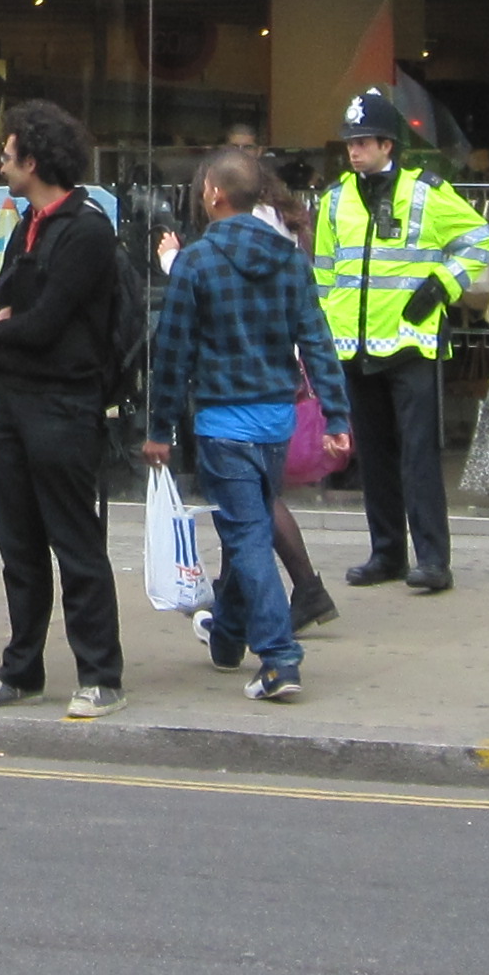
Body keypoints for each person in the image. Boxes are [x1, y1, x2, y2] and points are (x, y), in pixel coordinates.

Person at [144, 144, 348, 705]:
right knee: (248, 526)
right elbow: (317, 340)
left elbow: (173, 353)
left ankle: (279, 657)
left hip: (223, 422)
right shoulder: (289, 258)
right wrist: (336, 414)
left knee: (247, 536)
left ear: (214, 194)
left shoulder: (197, 262)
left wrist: (159, 429)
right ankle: (228, 634)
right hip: (277, 421)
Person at [0, 100, 129, 718]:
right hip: (14, 406)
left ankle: (100, 675)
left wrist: (6, 327)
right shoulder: (28, 224)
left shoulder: (86, 230)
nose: (0, 164)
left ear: (32, 161)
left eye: (7, 155)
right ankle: (20, 669)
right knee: (20, 550)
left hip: (65, 405)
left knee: (76, 545)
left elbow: (46, 322)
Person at [312, 87, 489, 596]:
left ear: (388, 145)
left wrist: (442, 285)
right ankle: (387, 552)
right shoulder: (333, 200)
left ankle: (433, 559)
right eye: (351, 142)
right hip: (354, 346)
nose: (354, 151)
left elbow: (480, 237)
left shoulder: (426, 192)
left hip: (411, 344)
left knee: (418, 455)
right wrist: (323, 335)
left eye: (364, 142)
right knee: (373, 455)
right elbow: (324, 273)